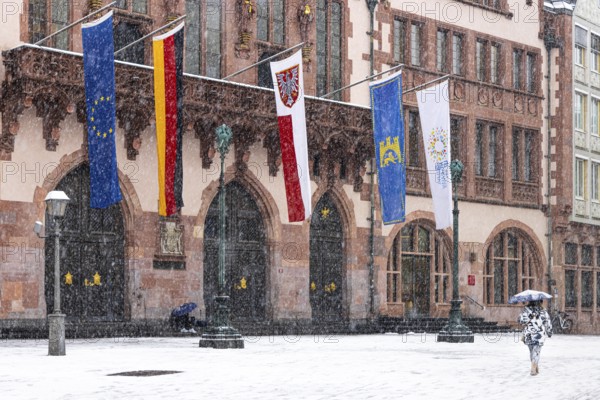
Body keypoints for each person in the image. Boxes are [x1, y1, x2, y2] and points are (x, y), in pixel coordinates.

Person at [518, 300, 553, 376]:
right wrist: (549, 332)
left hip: (529, 334)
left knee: (532, 352)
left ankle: (535, 367)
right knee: (536, 352)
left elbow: (521, 321)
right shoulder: (543, 311)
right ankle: (533, 369)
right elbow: (547, 322)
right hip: (539, 335)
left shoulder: (525, 310)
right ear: (540, 302)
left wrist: (528, 317)